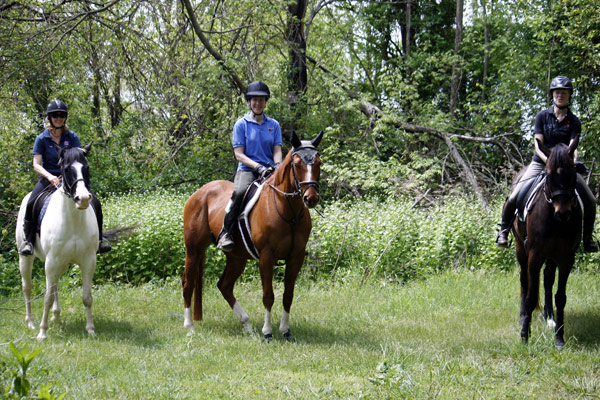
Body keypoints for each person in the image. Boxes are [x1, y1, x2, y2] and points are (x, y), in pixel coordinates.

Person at [495, 76, 598, 252]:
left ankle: (587, 239)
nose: (560, 95)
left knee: (590, 200)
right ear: (553, 95)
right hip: (541, 162)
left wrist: (570, 164)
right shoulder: (542, 116)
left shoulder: (574, 121)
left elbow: (574, 146)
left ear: (569, 95)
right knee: (515, 196)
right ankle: (503, 231)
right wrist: (549, 162)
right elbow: (538, 144)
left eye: (564, 93)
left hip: (564, 168)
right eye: (557, 92)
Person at [19, 100, 112, 256]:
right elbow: (36, 164)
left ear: (65, 117)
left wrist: (67, 176)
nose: (58, 118)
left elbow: (77, 158)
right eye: (55, 115)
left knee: (95, 202)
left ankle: (100, 240)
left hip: (70, 179)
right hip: (48, 178)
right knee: (30, 203)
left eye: (61, 115)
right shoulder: (41, 139)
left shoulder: (71, 136)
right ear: (49, 118)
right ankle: (28, 242)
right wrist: (50, 177)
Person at [217, 81, 283, 251]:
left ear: (265, 102)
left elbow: (277, 150)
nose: (257, 103)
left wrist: (278, 166)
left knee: (288, 193)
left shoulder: (273, 125)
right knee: (238, 193)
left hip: (270, 170)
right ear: (249, 102)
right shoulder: (241, 124)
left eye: (261, 100)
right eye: (254, 100)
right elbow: (239, 154)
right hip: (248, 170)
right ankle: (226, 232)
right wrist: (258, 167)